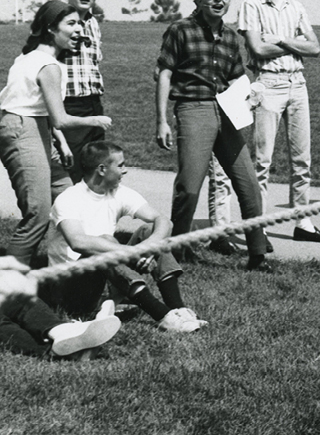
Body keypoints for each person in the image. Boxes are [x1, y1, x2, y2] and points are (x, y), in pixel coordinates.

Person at [156, 0, 273, 271]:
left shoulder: (232, 37)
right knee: (189, 186)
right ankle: (178, 250)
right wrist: (161, 121)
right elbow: (165, 73)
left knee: (248, 183)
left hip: (227, 111)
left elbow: (236, 75)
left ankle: (257, 254)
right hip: (193, 109)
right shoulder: (180, 31)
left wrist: (250, 91)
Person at [48, 141, 207, 333]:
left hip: (105, 278)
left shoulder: (118, 192)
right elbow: (78, 242)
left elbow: (163, 220)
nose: (125, 171)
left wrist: (148, 247)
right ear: (102, 169)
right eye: (121, 165)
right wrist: (131, 252)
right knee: (105, 242)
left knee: (150, 230)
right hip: (69, 290)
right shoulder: (69, 198)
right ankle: (163, 316)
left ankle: (179, 310)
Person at [0, 0, 112, 266]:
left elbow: (42, 109)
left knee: (68, 202)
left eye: (80, 24)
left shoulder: (30, 57)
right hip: (21, 129)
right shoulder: (47, 66)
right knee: (38, 214)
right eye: (71, 24)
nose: (78, 31)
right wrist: (96, 119)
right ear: (51, 28)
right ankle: (11, 289)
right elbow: (60, 118)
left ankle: (66, 273)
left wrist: (59, 143)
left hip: (33, 126)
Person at [238, 0, 320, 243]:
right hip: (267, 82)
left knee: (302, 160)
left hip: (297, 82)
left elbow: (315, 47)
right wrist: (295, 43)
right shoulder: (252, 5)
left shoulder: (296, 6)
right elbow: (257, 48)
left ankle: (303, 223)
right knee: (263, 161)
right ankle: (259, 229)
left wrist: (280, 39)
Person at [60, 0, 105, 183]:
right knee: (72, 174)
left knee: (96, 172)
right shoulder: (57, 21)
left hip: (93, 103)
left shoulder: (93, 23)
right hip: (69, 106)